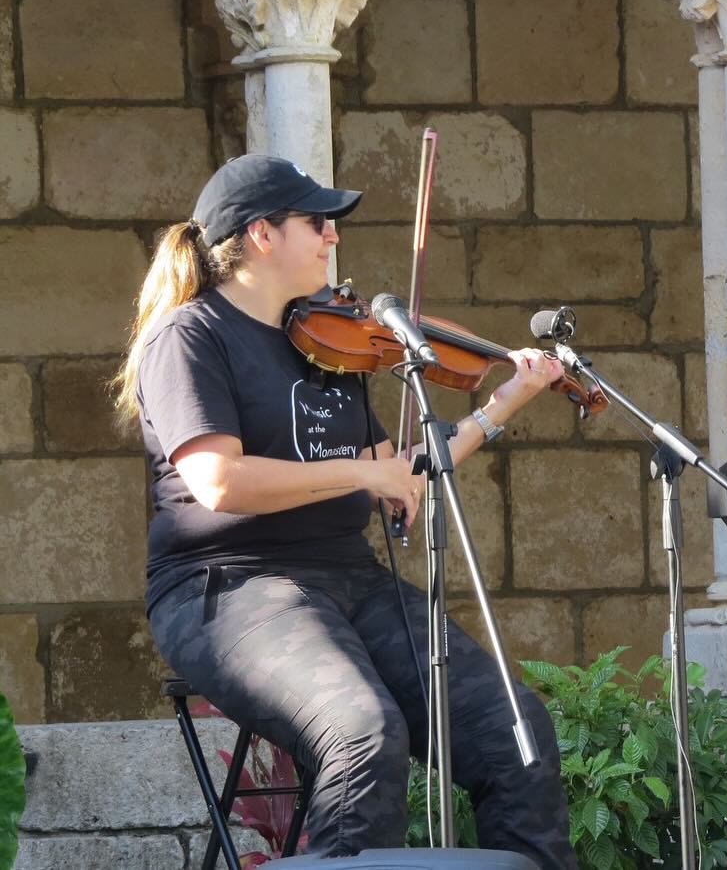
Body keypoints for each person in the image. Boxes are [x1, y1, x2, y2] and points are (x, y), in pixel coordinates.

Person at [112, 154, 577, 867]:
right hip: (227, 587)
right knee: (361, 727)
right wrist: (361, 471)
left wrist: (502, 402)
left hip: (347, 577)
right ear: (261, 234)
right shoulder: (191, 336)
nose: (333, 238)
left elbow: (402, 473)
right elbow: (217, 479)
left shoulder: (329, 344)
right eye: (317, 223)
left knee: (514, 730)